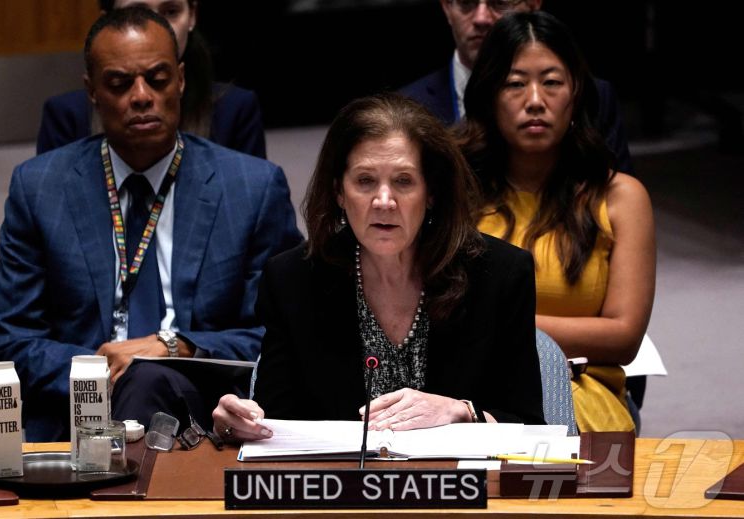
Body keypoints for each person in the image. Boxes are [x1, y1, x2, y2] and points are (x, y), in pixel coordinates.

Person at [0, 7, 302, 441]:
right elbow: (10, 343)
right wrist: (100, 372)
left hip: (206, 415)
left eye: (157, 79)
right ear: (92, 91)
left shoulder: (251, 188)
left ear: (182, 80)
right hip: (78, 414)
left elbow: (282, 335)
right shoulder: (40, 188)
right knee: (140, 381)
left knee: (150, 379)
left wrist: (175, 347)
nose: (141, 96)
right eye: (119, 84)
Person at [212, 93, 545, 442]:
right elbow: (275, 423)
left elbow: (529, 426)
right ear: (339, 191)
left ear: (431, 192)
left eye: (403, 181)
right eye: (365, 181)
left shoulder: (500, 275)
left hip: (463, 474)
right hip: (337, 477)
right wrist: (238, 424)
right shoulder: (292, 280)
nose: (384, 201)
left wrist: (462, 411)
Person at [461, 11, 655, 432]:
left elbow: (624, 336)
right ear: (489, 94)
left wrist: (509, 329)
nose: (535, 100)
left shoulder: (620, 197)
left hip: (581, 389)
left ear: (576, 93)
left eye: (551, 82)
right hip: (469, 391)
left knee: (545, 425)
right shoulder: (456, 193)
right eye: (515, 84)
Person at [399, 0, 634, 174]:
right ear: (446, 8)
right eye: (466, 3)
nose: (481, 18)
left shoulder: (591, 97)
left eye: (500, 3)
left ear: (533, 4)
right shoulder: (406, 107)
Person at [36, 0, 267, 159]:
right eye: (137, 14)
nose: (157, 28)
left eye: (171, 11)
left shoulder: (235, 109)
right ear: (107, 24)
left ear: (192, 16)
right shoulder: (66, 116)